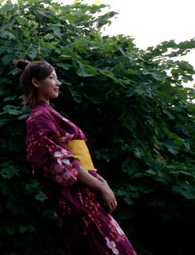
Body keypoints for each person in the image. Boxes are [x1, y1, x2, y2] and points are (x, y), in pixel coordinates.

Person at [15, 59, 137, 255]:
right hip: (79, 200)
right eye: (52, 78)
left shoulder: (47, 114)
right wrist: (100, 187)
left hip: (86, 193)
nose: (58, 83)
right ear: (36, 82)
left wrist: (101, 182)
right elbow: (60, 162)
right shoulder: (39, 118)